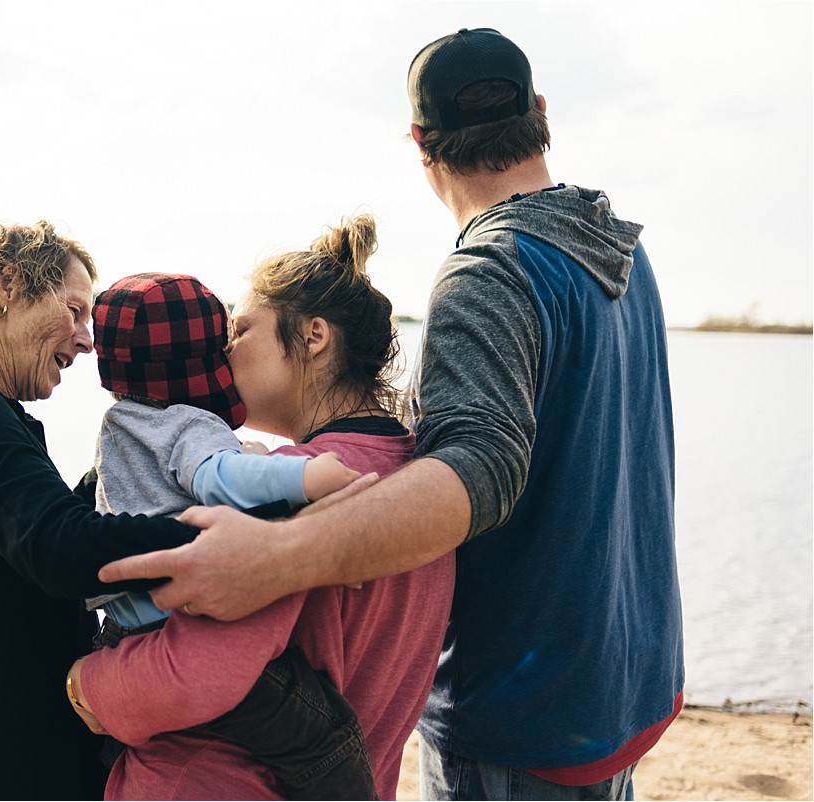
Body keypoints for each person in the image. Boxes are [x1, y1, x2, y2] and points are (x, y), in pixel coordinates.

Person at [97, 28, 684, 802]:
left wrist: (273, 559)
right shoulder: (621, 255)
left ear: (420, 142)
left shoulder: (490, 268)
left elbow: (478, 470)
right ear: (540, 111)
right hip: (630, 681)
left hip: (524, 709)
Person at [67, 215, 456, 800]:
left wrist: (84, 683)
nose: (221, 354)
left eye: (241, 331)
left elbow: (192, 673)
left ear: (314, 337)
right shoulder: (419, 483)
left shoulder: (310, 484)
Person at [0, 221, 200, 800]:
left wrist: (136, 462)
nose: (85, 339)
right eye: (74, 310)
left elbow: (22, 537)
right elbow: (63, 550)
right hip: (30, 770)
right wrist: (210, 534)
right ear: (9, 286)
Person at [82, 271, 377, 799]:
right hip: (174, 624)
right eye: (226, 336)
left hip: (125, 627)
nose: (230, 351)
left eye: (241, 332)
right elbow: (221, 481)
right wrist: (303, 478)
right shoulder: (192, 426)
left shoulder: (118, 423)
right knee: (330, 742)